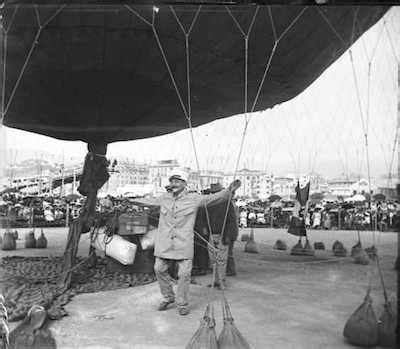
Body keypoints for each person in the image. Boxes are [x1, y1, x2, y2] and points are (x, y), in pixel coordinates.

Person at [133, 169, 241, 316]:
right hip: (165, 244)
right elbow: (148, 201)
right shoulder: (164, 198)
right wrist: (129, 200)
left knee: (184, 274)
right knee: (159, 269)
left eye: (177, 181)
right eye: (172, 181)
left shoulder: (194, 199)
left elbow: (214, 199)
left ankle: (182, 303)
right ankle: (168, 296)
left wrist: (229, 191)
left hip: (183, 244)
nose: (174, 183)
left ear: (184, 184)